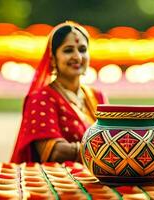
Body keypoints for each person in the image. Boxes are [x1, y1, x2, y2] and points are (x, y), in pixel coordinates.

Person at [10, 21, 107, 163]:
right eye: (68, 50)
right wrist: (107, 150)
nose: (78, 57)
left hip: (97, 180)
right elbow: (54, 152)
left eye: (82, 49)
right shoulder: (40, 99)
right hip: (57, 182)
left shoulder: (97, 96)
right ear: (53, 58)